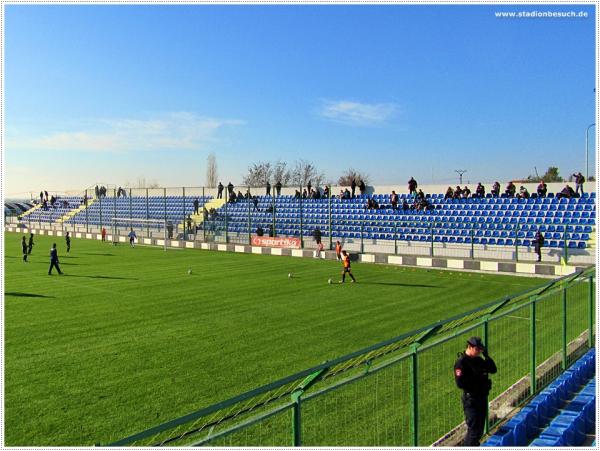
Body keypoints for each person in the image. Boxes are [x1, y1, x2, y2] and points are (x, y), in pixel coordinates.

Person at [454, 336, 497, 446]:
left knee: (479, 431)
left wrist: (486, 357)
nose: (479, 352)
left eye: (480, 349)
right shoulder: (461, 363)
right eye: (477, 349)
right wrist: (477, 376)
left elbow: (493, 369)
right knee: (473, 431)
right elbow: (460, 383)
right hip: (471, 400)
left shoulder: (478, 359)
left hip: (481, 397)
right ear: (470, 347)